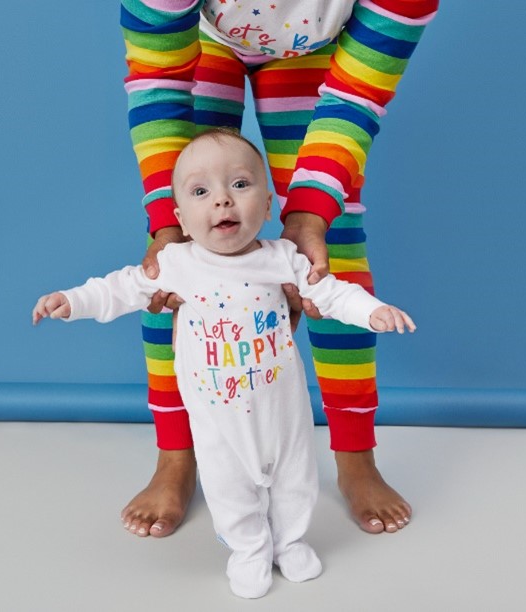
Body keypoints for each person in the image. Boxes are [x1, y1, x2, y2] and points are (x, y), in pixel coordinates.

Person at [32, 129, 416, 598]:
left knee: (296, 478)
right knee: (228, 486)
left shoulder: (284, 259)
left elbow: (331, 292)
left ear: (269, 205)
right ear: (179, 218)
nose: (222, 201)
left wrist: (372, 311)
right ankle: (249, 549)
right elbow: (119, 288)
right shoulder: (176, 263)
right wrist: (72, 301)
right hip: (216, 417)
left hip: (283, 411)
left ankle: (290, 542)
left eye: (240, 184)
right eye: (201, 191)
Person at [120, 0, 439, 538]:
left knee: (328, 254)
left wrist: (311, 214)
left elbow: (357, 94)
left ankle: (355, 456)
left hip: (313, 50)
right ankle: (176, 454)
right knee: (174, 260)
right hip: (204, 40)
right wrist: (165, 229)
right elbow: (159, 80)